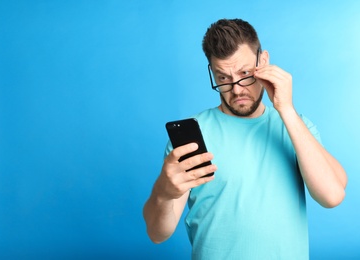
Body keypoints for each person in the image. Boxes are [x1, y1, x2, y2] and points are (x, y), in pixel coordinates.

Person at [143, 18, 347, 259]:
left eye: (245, 73)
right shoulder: (193, 139)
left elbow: (332, 195)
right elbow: (158, 234)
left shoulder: (295, 126)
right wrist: (164, 192)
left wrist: (286, 109)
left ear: (264, 62)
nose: (237, 89)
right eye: (223, 78)